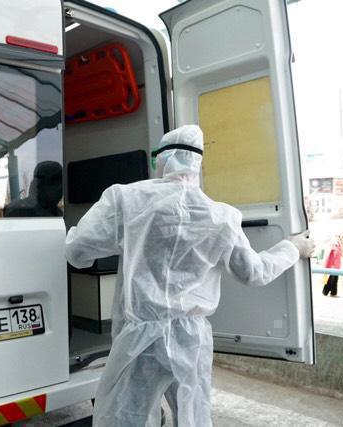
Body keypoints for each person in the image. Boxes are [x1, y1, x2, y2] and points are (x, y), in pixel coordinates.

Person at [65, 125, 315, 427]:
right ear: (198, 163)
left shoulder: (125, 199)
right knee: (193, 418)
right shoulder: (221, 216)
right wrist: (293, 247)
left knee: (124, 419)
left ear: (162, 159)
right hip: (190, 339)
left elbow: (77, 251)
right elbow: (254, 272)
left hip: (138, 337)